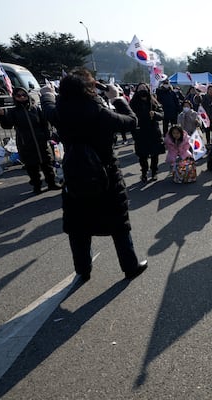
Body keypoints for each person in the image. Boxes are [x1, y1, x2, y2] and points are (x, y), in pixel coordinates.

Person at [40, 67, 147, 282]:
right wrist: (117, 98)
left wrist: (47, 93)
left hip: (74, 175)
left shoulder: (60, 112)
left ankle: (83, 270)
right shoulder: (100, 113)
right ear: (90, 89)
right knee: (119, 224)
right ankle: (130, 266)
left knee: (78, 227)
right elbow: (131, 121)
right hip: (106, 175)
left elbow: (48, 106)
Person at [0, 87, 61, 194]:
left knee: (47, 163)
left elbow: (45, 123)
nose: (22, 97)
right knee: (32, 167)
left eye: (24, 95)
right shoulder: (14, 112)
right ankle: (36, 186)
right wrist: (2, 116)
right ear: (15, 98)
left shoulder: (35, 108)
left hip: (41, 141)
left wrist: (47, 136)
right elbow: (7, 125)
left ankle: (51, 183)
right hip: (25, 142)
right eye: (18, 96)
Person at [130, 83, 165, 183]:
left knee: (155, 154)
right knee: (142, 156)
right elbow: (129, 116)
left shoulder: (153, 101)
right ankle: (144, 172)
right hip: (140, 132)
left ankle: (154, 172)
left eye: (144, 88)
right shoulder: (133, 103)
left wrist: (155, 114)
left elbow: (162, 114)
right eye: (140, 88)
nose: (142, 90)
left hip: (153, 132)